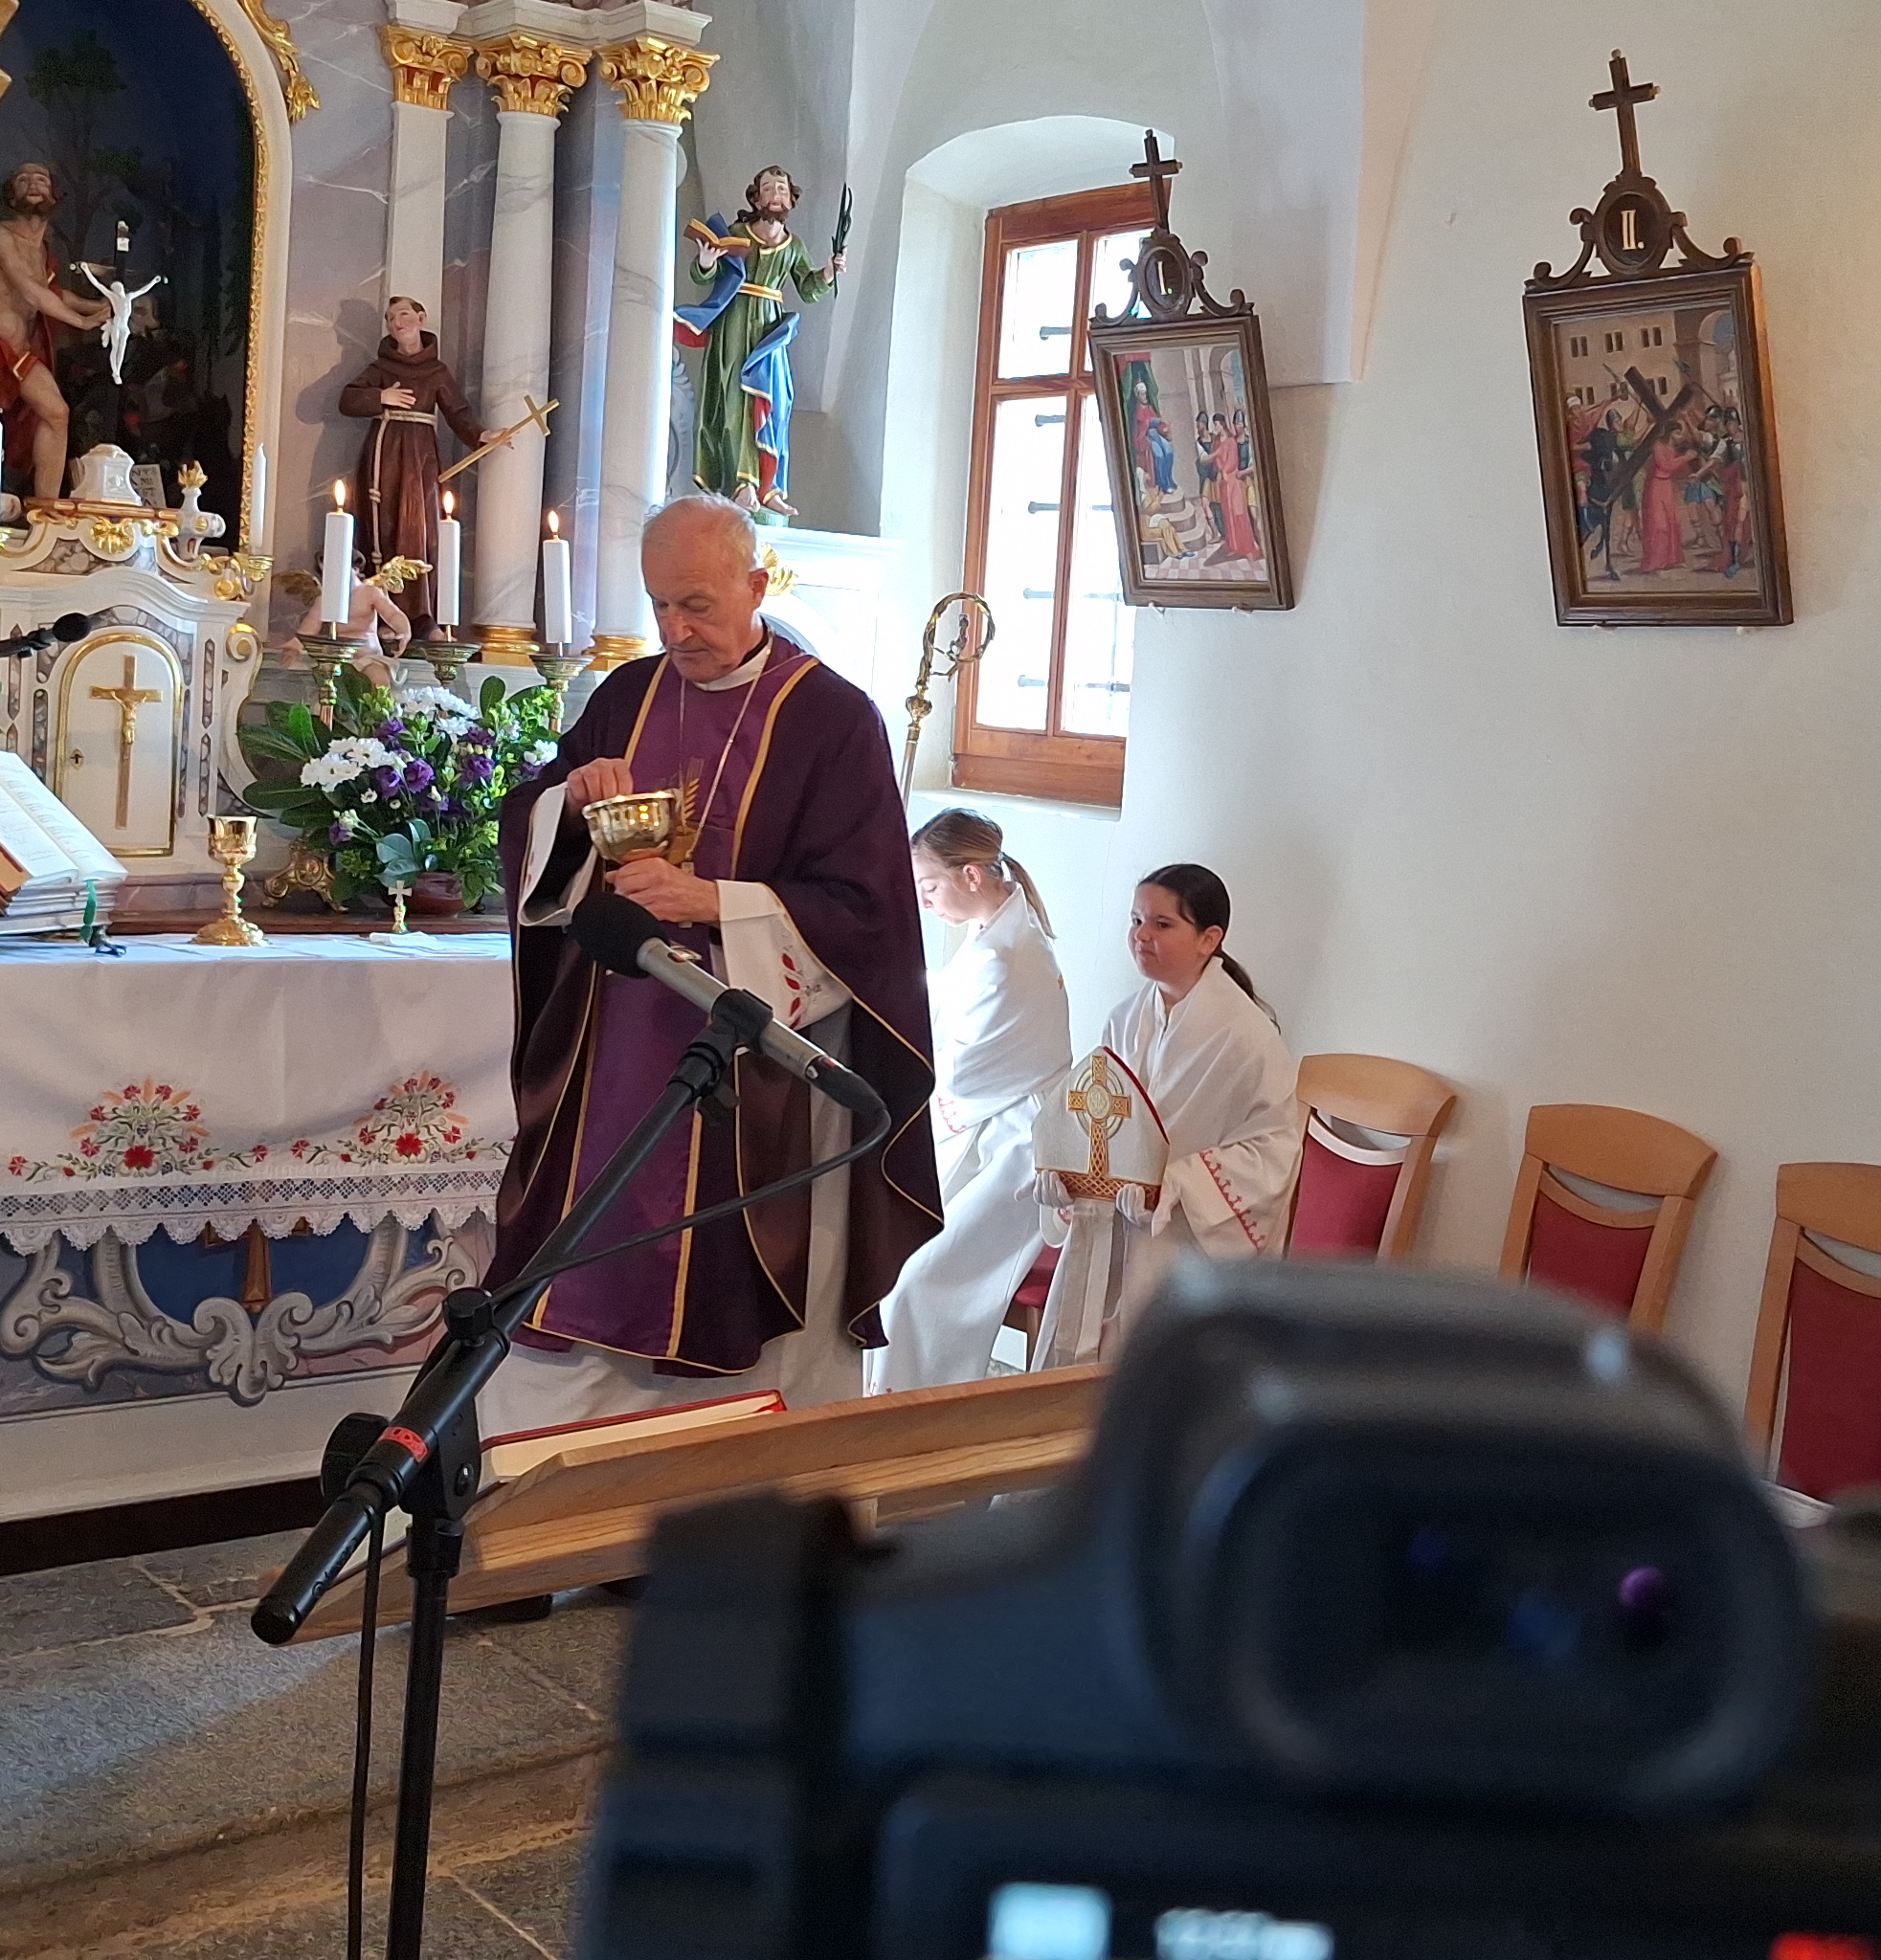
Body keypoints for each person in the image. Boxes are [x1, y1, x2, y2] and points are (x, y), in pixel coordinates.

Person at [481, 495, 940, 1429]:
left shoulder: (833, 719)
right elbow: (531, 823)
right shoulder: (627, 696)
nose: (675, 630)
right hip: (616, 1053)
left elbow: (868, 913)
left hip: (758, 1064)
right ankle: (568, 1476)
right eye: (659, 605)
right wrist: (570, 802)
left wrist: (714, 902)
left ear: (756, 586)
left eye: (696, 605)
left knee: (744, 1310)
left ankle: (736, 1474)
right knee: (581, 1278)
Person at [1037, 864, 1300, 1365]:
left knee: (1148, 1375)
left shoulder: (1248, 1036)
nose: (1141, 936)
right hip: (1108, 1226)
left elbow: (1273, 1150)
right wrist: (1069, 1176)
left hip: (1184, 1240)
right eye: (1136, 921)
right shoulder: (1125, 1017)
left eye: (1162, 924)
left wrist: (1175, 1183)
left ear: (1209, 939)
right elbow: (1095, 1116)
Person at [871, 812, 1071, 1392]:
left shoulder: (1003, 956)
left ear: (973, 876)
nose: (924, 901)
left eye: (929, 886)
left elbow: (962, 1075)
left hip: (1018, 1150)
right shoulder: (1000, 930)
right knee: (887, 1256)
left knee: (915, 1280)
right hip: (989, 1121)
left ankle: (916, 1411)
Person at [676, 165, 841, 517]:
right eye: (768, 189)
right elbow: (704, 275)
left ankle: (770, 488)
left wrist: (828, 272)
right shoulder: (738, 233)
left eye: (782, 189)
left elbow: (808, 289)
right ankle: (742, 483)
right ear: (756, 198)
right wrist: (706, 261)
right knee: (736, 401)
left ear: (791, 200)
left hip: (769, 328)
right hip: (735, 326)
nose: (775, 196)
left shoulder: (794, 246)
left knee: (776, 401)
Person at [0, 161, 108, 512]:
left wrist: (98, 305)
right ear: (11, 196)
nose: (32, 184)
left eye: (40, 179)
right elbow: (30, 290)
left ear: (54, 195)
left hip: (17, 351)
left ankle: (45, 510)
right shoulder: (0, 236)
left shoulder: (41, 250)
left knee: (57, 413)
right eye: (23, 179)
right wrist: (80, 323)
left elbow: (52, 291)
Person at [335, 296, 486, 624]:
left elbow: (458, 411)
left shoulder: (436, 371)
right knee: (384, 526)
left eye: (403, 314)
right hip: (385, 454)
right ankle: (378, 613)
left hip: (421, 458)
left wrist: (481, 435)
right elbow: (347, 400)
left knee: (420, 528)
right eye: (390, 319)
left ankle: (420, 616)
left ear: (421, 318)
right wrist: (381, 396)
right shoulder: (381, 368)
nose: (396, 323)